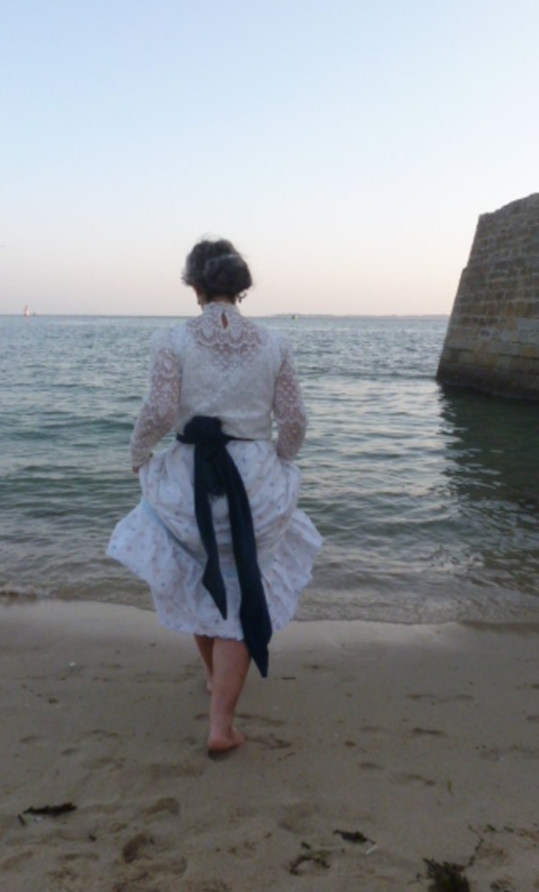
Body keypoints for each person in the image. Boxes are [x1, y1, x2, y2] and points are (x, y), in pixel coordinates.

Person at [107, 238, 321, 754]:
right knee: (242, 585)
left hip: (191, 479)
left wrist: (139, 454)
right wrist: (282, 461)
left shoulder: (172, 340)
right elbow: (293, 421)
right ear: (239, 289)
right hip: (254, 482)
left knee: (203, 580)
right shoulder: (275, 343)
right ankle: (220, 722)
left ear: (196, 287)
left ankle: (214, 684)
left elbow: (159, 413)